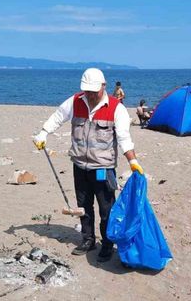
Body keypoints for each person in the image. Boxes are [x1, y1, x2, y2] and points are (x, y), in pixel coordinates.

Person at [33, 68, 144, 263]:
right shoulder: (75, 101)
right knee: (83, 206)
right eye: (87, 91)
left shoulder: (117, 108)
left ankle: (108, 244)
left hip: (103, 168)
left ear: (104, 86)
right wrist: (43, 132)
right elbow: (58, 117)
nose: (91, 95)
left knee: (106, 208)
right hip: (79, 165)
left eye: (94, 91)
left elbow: (125, 138)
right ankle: (88, 240)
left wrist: (132, 161)